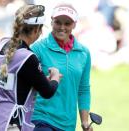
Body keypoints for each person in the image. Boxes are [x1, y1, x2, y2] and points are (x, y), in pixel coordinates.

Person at [0, 4, 62, 131]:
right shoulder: (28, 57)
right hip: (9, 124)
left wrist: (39, 79)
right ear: (36, 30)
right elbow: (47, 91)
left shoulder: (1, 44)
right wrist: (55, 77)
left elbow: (15, 82)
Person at [30, 3, 93, 131]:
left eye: (67, 23)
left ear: (74, 24)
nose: (62, 27)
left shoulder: (84, 53)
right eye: (58, 22)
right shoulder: (38, 49)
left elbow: (83, 89)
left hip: (68, 124)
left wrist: (85, 122)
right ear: (51, 21)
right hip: (41, 118)